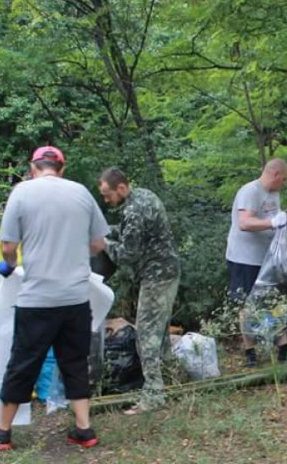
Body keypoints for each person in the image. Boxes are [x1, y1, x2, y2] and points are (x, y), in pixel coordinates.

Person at [0, 146, 109, 451]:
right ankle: (84, 429)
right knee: (74, 362)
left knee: (24, 362)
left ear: (33, 167)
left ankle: (3, 432)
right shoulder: (82, 193)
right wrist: (72, 253)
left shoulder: (21, 193)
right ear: (62, 167)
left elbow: (7, 247)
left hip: (37, 299)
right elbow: (98, 243)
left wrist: (13, 264)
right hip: (75, 298)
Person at [98, 167, 180, 415]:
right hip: (167, 272)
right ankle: (171, 382)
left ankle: (154, 395)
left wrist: (103, 244)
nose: (106, 200)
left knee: (146, 336)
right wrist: (107, 231)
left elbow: (127, 254)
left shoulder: (134, 209)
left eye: (107, 195)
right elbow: (130, 232)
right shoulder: (144, 196)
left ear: (121, 188)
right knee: (160, 333)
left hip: (157, 278)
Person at [225, 158, 287, 367]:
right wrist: (271, 222)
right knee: (247, 304)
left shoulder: (274, 194)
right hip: (244, 258)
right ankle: (250, 352)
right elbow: (244, 223)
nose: (284, 183)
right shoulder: (250, 191)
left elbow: (274, 222)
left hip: (267, 259)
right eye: (284, 179)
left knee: (275, 301)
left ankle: (283, 348)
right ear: (274, 174)